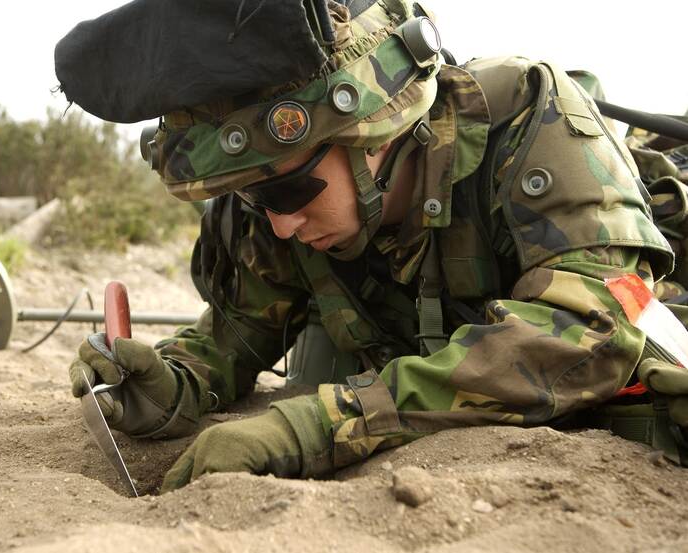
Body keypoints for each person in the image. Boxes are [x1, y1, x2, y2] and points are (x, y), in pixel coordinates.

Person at [62, 0, 688, 493]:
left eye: (287, 193)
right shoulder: (277, 197)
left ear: (374, 133)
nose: (279, 225)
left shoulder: (524, 118)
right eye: (251, 201)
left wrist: (326, 424)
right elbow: (239, 331)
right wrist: (168, 386)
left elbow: (591, 328)